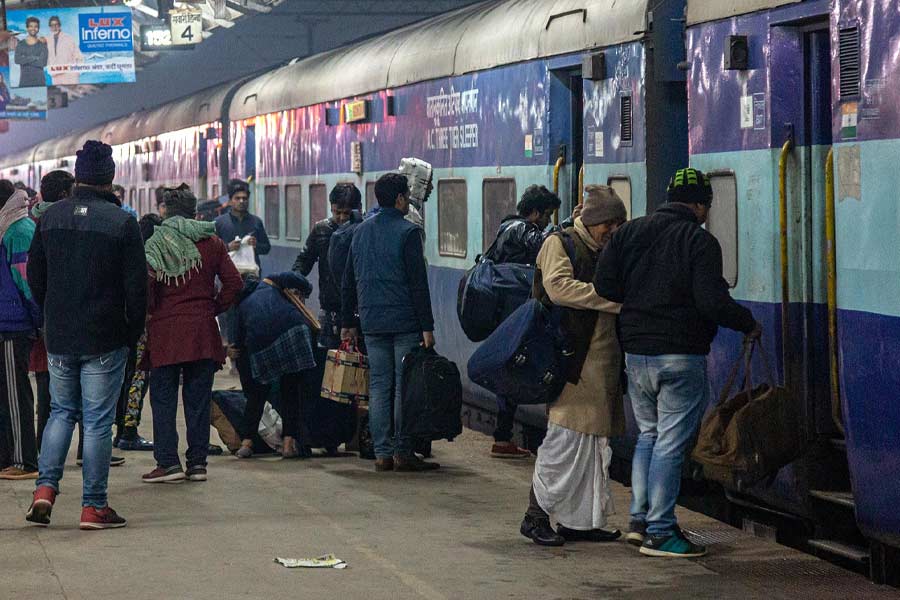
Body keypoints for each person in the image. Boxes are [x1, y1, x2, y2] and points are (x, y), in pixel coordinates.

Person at [594, 168, 760, 558]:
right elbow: (712, 302)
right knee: (670, 442)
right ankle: (661, 531)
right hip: (680, 356)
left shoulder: (630, 233)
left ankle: (639, 521)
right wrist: (747, 323)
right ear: (701, 205)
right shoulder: (699, 242)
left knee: (648, 437)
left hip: (637, 355)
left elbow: (604, 287)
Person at [26, 141, 146, 530]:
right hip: (105, 335)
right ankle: (93, 506)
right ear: (110, 178)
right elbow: (136, 289)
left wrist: (51, 314)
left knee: (61, 411)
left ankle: (45, 490)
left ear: (78, 175)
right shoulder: (122, 223)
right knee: (96, 421)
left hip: (60, 333)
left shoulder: (50, 217)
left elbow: (36, 277)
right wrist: (133, 332)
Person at [520, 185, 627, 546]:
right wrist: (609, 300)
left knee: (593, 450)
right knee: (563, 444)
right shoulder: (560, 244)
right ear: (592, 221)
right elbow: (558, 289)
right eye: (608, 224)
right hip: (573, 364)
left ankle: (580, 520)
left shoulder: (605, 251)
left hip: (601, 365)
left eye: (618, 223)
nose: (613, 230)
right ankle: (535, 516)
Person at [142, 184, 242, 484]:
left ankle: (168, 463)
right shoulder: (211, 241)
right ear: (194, 211)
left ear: (165, 211)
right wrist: (212, 307)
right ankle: (197, 464)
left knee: (163, 399)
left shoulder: (155, 243)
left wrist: (148, 313)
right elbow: (234, 283)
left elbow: (146, 289)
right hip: (201, 331)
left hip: (165, 332)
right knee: (198, 399)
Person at [341, 172, 438, 472]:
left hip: (372, 321)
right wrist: (427, 327)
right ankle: (402, 451)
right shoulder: (408, 233)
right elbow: (417, 284)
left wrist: (349, 321)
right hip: (405, 321)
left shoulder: (360, 232)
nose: (408, 199)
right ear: (399, 199)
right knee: (402, 386)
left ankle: (381, 453)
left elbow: (348, 281)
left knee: (380, 386)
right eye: (406, 194)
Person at [483, 184, 560, 459]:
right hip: (510, 315)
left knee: (514, 372)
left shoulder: (507, 228)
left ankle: (503, 437)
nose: (549, 221)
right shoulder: (517, 228)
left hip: (509, 312)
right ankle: (502, 438)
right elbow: (544, 244)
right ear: (536, 213)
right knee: (512, 373)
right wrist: (569, 227)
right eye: (548, 216)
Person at [231, 272, 319, 459]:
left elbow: (238, 347)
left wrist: (248, 380)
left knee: (257, 394)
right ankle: (288, 444)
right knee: (291, 391)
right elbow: (298, 279)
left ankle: (246, 443)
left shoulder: (240, 307)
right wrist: (306, 291)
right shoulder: (271, 281)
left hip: (262, 344)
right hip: (294, 332)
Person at [29, 170, 74, 452]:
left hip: (42, 317)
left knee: (47, 389)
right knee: (59, 390)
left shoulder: (33, 220)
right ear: (63, 195)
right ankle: (48, 448)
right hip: (55, 319)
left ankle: (42, 446)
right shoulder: (60, 223)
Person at [0, 183, 40, 480]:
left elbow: (29, 283)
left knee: (16, 395)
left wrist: (37, 321)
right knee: (5, 395)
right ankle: (6, 457)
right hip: (6, 321)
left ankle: (25, 459)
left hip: (14, 324)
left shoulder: (19, 230)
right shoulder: (6, 228)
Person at [116, 214, 163, 452]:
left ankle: (121, 430)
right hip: (142, 328)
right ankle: (129, 432)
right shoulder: (151, 261)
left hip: (123, 327)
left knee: (125, 378)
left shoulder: (128, 256)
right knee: (137, 379)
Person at [293, 183, 361, 350]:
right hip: (330, 309)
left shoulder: (363, 230)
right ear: (331, 208)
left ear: (358, 208)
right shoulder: (321, 230)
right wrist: (295, 282)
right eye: (337, 212)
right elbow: (304, 260)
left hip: (358, 309)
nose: (342, 218)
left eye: (347, 213)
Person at [214, 179, 270, 269]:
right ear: (231, 200)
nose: (241, 201)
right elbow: (211, 250)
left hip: (251, 274)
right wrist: (228, 247)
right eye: (237, 198)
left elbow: (266, 248)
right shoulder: (219, 223)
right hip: (227, 274)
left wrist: (256, 245)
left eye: (244, 198)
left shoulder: (256, 222)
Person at [46, 15, 82, 86]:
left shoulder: (68, 38)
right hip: (55, 76)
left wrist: (77, 72)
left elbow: (78, 55)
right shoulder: (47, 40)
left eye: (56, 24)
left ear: (59, 25)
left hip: (70, 75)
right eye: (52, 25)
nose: (54, 27)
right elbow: (47, 58)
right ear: (50, 27)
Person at [14, 17, 48, 88]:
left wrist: (25, 59)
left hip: (40, 82)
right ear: (27, 28)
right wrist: (34, 57)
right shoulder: (21, 44)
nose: (33, 28)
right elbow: (17, 60)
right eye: (31, 26)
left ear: (38, 29)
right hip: (24, 82)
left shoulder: (42, 44)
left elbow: (43, 63)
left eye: (36, 26)